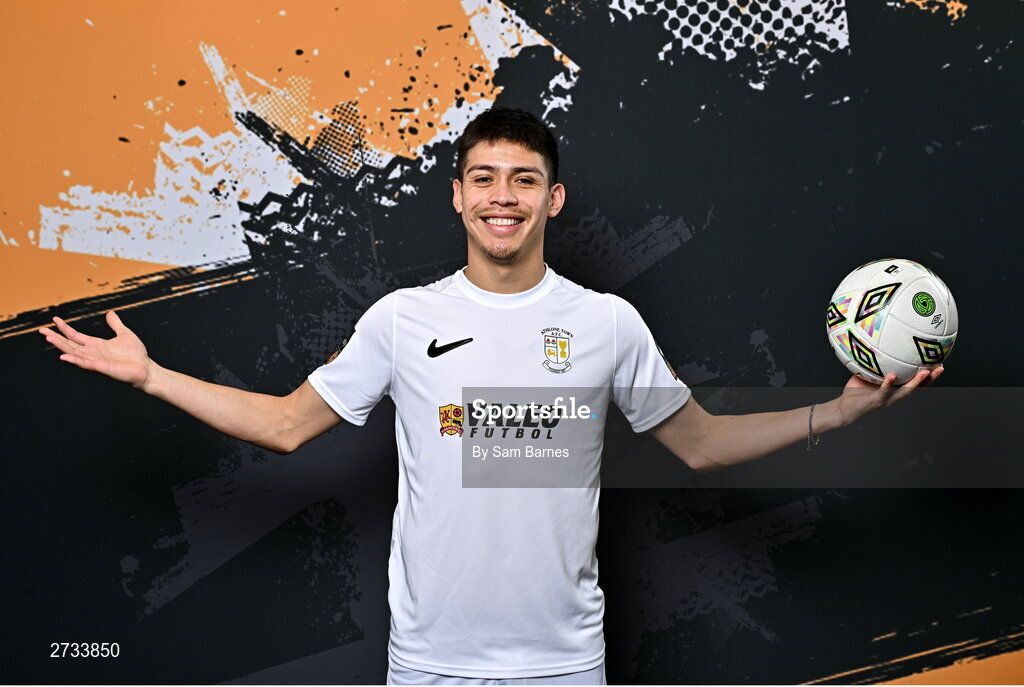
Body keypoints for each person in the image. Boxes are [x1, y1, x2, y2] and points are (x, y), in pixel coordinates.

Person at [40, 107, 941, 685]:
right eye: (484, 178)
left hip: (563, 661)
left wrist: (841, 412)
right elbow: (281, 426)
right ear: (458, 196)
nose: (501, 198)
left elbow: (700, 446)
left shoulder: (608, 323)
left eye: (522, 181)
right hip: (434, 663)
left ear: (553, 199)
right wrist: (152, 374)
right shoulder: (402, 319)